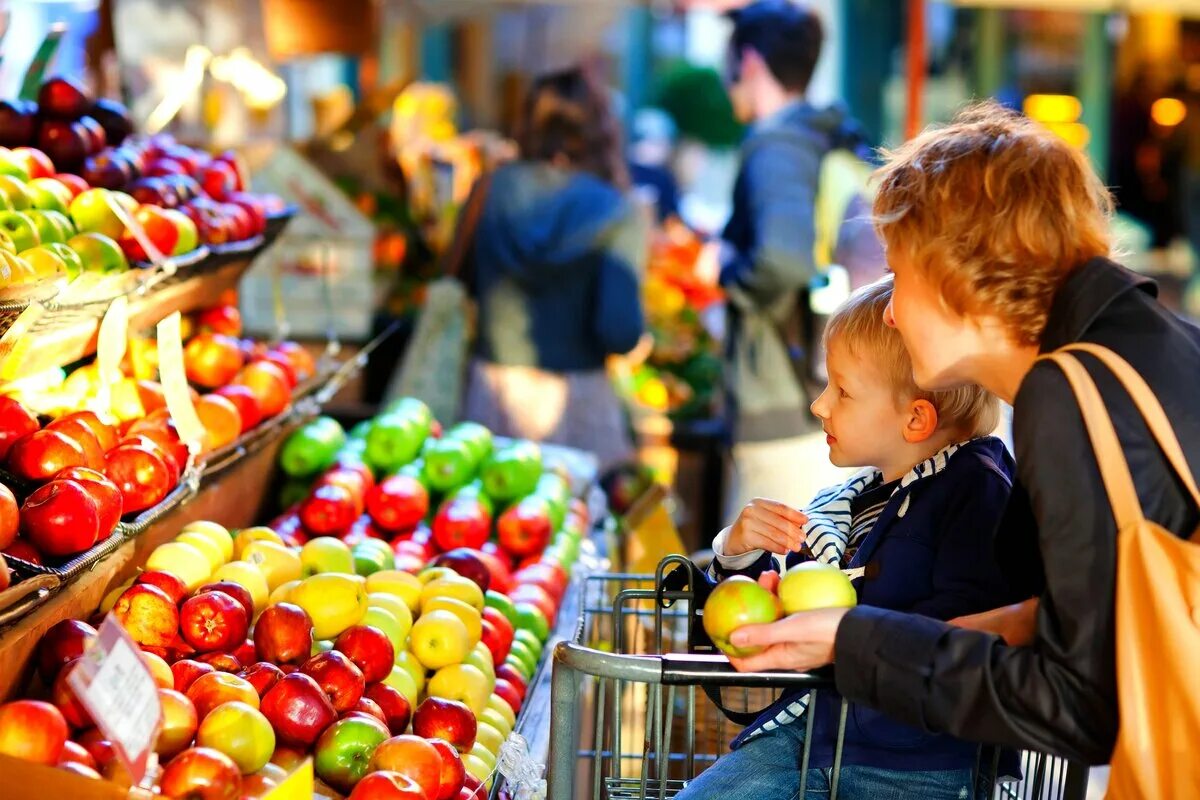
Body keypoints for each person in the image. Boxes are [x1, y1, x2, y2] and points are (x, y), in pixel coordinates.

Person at [724, 102, 1200, 769]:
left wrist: (855, 642)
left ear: (961, 274)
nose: (889, 312)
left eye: (899, 273)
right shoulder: (1145, 339)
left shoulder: (1069, 391)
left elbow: (1075, 703)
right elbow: (1102, 614)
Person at [681, 279, 1026, 800]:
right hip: (806, 739)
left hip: (919, 765)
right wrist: (738, 553)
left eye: (842, 390)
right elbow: (768, 616)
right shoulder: (847, 503)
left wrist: (854, 631)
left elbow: (966, 633)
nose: (820, 406)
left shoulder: (975, 490)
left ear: (916, 418)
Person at [706, 0, 857, 515]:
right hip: (807, 395)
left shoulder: (776, 146)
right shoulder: (819, 135)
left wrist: (725, 271)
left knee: (758, 575)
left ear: (748, 63)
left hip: (780, 405)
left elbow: (782, 260)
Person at [462, 67, 646, 471]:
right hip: (576, 402)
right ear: (601, 129)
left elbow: (464, 281)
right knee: (575, 523)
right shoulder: (614, 209)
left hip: (491, 394)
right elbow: (620, 331)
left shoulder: (489, 188)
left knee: (481, 519)